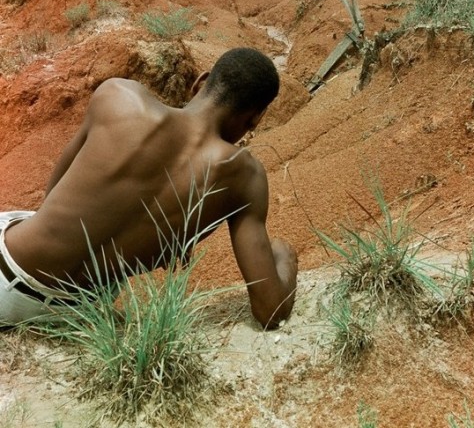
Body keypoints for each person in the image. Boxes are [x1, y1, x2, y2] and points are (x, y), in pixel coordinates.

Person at [0, 47, 298, 329]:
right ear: (256, 118)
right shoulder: (246, 177)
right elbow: (271, 310)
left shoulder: (118, 96)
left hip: (7, 270)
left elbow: (50, 199)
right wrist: (285, 257)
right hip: (72, 309)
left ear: (200, 81)